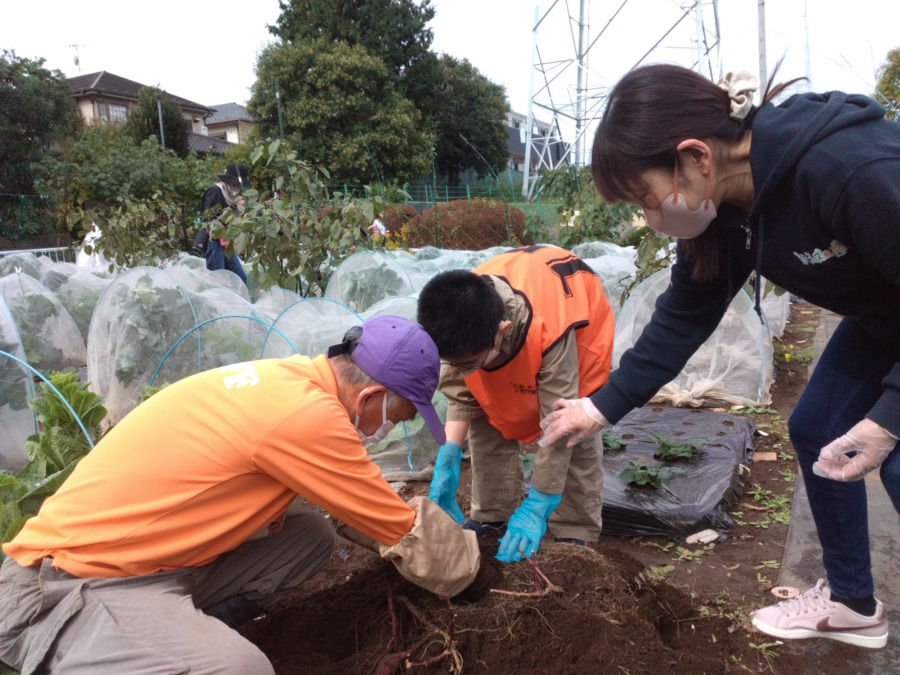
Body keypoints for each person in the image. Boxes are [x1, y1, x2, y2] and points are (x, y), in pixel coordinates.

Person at [538, 64, 899, 649]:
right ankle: (851, 603)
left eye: (646, 198)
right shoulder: (726, 214)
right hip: (887, 317)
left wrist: (889, 415)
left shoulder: (845, 170)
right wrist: (597, 409)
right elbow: (683, 317)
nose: (651, 218)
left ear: (694, 158)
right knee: (819, 427)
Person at [0, 315, 495, 674]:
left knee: (310, 536)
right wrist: (473, 573)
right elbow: (392, 522)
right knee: (239, 669)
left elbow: (350, 507)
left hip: (152, 559)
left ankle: (176, 631)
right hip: (67, 584)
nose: (389, 432)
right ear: (369, 397)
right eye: (399, 417)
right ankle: (123, 653)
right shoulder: (308, 418)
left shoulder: (290, 382)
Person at [417, 245, 615, 563]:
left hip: (579, 339)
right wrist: (449, 453)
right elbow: (463, 391)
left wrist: (538, 502)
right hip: (508, 329)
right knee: (486, 417)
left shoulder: (549, 328)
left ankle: (575, 532)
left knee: (574, 430)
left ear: (503, 330)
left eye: (467, 362)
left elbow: (558, 420)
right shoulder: (460, 309)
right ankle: (492, 516)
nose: (460, 371)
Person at [199, 163, 249, 285]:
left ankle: (235, 303)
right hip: (215, 242)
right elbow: (207, 217)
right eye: (235, 184)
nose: (236, 188)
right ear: (228, 182)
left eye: (238, 185)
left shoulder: (232, 198)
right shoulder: (215, 191)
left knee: (240, 278)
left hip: (227, 244)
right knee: (219, 282)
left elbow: (241, 213)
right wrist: (220, 231)